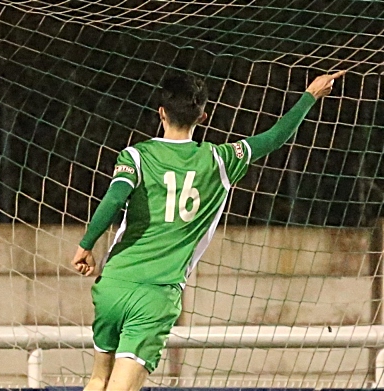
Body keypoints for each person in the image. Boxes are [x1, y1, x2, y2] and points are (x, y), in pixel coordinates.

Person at [71, 69, 345, 391]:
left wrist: (85, 245)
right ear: (203, 115)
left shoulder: (135, 155)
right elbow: (274, 137)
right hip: (156, 292)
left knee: (98, 379)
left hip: (114, 283)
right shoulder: (219, 160)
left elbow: (114, 197)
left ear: (161, 113)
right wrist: (310, 95)